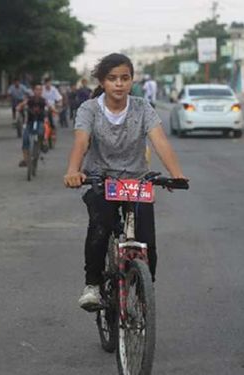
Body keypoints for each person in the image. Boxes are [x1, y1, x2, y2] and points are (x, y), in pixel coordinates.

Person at [63, 53, 187, 311]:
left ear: (132, 80)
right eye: (112, 79)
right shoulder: (90, 109)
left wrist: (176, 174)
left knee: (147, 243)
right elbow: (81, 142)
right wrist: (74, 170)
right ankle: (93, 285)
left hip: (137, 182)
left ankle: (143, 291)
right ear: (102, 82)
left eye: (125, 78)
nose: (119, 84)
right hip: (101, 179)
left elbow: (160, 141)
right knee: (101, 226)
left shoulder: (142, 107)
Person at [16, 84, 49, 167]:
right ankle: (26, 160)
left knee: (42, 131)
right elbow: (22, 104)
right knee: (25, 139)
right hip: (30, 122)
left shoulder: (43, 100)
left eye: (40, 90)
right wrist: (19, 107)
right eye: (36, 89)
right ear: (33, 91)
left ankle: (42, 144)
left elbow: (50, 106)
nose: (38, 91)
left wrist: (55, 110)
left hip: (39, 122)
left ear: (42, 91)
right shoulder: (30, 99)